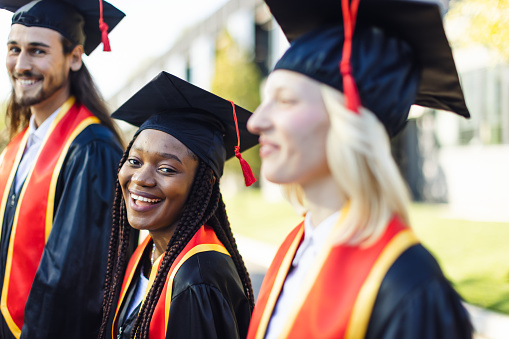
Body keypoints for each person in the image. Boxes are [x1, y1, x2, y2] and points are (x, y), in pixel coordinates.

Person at [246, 0, 473, 338]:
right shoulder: (295, 249)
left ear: (348, 120)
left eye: (286, 100)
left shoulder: (406, 285)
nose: (255, 121)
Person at [98, 71, 257, 339]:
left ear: (201, 185)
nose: (141, 179)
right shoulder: (149, 252)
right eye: (134, 161)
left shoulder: (197, 279)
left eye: (166, 169)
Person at [0, 0, 126, 338]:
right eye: (14, 49)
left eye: (37, 51)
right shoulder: (17, 147)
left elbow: (73, 287)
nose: (21, 64)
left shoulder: (92, 150)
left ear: (74, 57)